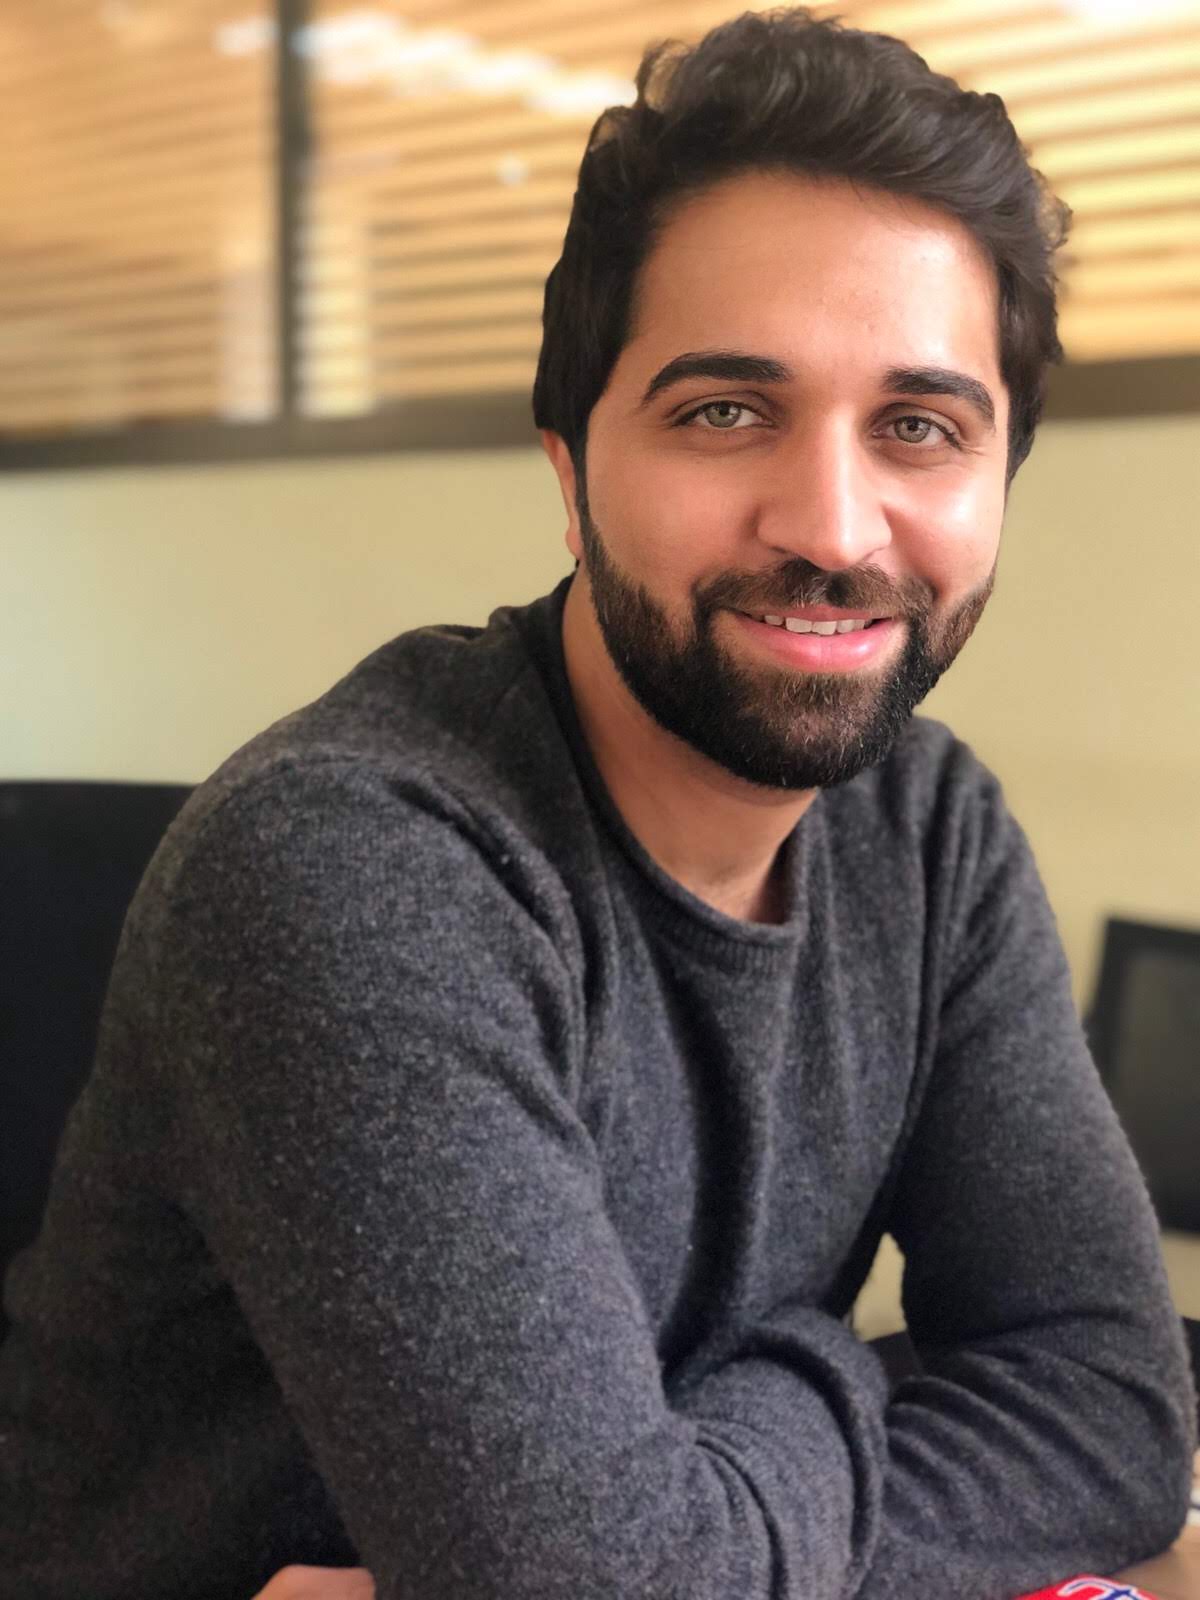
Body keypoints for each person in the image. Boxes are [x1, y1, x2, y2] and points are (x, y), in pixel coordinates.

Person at [1, 9, 1195, 1600]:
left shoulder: (931, 834)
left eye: (919, 426)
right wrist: (831, 1370)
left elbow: (1116, 1413)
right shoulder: (350, 867)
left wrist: (688, 1492)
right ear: (572, 473)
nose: (834, 526)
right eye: (726, 412)